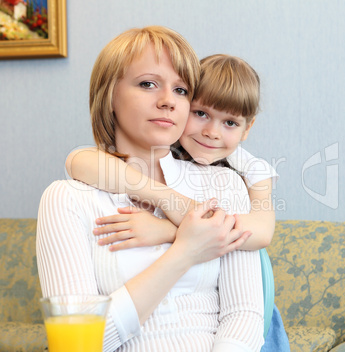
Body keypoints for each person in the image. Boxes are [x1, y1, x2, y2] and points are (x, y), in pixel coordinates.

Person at [37, 26, 264, 352]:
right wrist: (185, 252)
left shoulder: (223, 183)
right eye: (147, 84)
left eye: (182, 91)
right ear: (109, 95)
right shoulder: (68, 199)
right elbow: (79, 344)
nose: (168, 101)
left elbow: (244, 314)